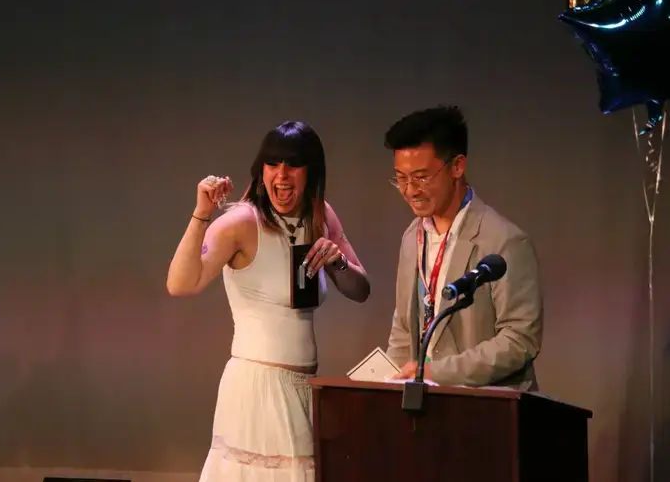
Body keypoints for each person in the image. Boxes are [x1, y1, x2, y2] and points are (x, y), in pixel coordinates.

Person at [166, 121, 370, 480]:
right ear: (261, 170)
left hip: (305, 389)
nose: (282, 175)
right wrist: (201, 214)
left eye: (293, 165)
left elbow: (360, 290)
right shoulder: (243, 222)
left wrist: (337, 262)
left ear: (311, 171)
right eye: (273, 164)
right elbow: (181, 284)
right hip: (257, 390)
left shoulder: (320, 215)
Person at [383, 105, 543, 390]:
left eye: (421, 177)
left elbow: (519, 339)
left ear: (457, 166)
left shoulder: (504, 241)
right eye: (401, 178)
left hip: (486, 404)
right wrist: (390, 387)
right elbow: (404, 329)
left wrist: (435, 373)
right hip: (426, 405)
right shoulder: (412, 237)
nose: (410, 190)